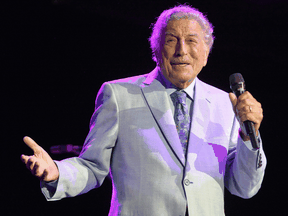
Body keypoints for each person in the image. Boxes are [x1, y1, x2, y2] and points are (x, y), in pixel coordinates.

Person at [21, 4, 266, 216]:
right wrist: (57, 172)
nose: (181, 50)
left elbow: (244, 187)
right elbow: (93, 167)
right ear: (156, 50)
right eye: (171, 40)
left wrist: (248, 136)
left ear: (205, 53)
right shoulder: (118, 95)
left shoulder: (226, 103)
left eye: (191, 40)